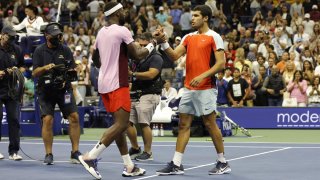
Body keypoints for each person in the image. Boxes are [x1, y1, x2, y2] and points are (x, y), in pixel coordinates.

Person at [78, 2, 163, 179]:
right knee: (122, 124)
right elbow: (138, 54)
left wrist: (108, 67)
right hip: (118, 84)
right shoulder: (122, 30)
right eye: (122, 10)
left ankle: (129, 166)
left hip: (103, 84)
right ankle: (91, 157)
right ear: (116, 13)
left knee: (119, 127)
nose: (125, 12)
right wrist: (155, 42)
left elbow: (95, 58)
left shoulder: (101, 32)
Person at [155, 5, 231, 176]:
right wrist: (163, 41)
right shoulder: (188, 37)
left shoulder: (214, 37)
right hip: (189, 88)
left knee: (210, 124)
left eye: (196, 15)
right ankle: (176, 164)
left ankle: (223, 162)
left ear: (205, 18)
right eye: (192, 15)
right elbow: (174, 56)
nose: (192, 18)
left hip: (207, 88)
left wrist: (203, 76)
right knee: (183, 125)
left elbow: (221, 64)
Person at [32, 23, 82, 165]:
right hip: (45, 90)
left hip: (63, 89)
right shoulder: (39, 51)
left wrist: (70, 75)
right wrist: (45, 68)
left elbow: (72, 69)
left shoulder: (65, 50)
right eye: (55, 35)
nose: (58, 37)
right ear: (47, 36)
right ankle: (48, 154)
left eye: (59, 35)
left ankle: (75, 152)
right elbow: (35, 72)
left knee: (74, 117)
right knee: (47, 120)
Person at [127, 32, 164, 161]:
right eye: (140, 45)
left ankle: (148, 153)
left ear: (150, 44)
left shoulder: (156, 57)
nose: (142, 48)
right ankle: (136, 148)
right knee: (126, 122)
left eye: (144, 45)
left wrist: (133, 74)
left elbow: (151, 74)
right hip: (136, 93)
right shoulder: (135, 58)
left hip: (150, 93)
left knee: (143, 123)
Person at [0, 26, 24, 160]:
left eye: (13, 37)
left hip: (12, 90)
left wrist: (17, 70)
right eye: (9, 36)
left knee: (14, 119)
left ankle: (14, 151)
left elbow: (22, 65)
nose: (11, 39)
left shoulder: (17, 49)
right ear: (2, 35)